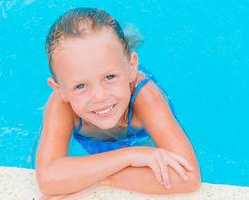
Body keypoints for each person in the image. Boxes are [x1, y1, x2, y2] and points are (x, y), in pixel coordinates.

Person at [35, 7, 201, 199]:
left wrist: (97, 179)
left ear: (132, 68)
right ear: (59, 89)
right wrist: (130, 156)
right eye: (80, 86)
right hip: (123, 120)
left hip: (135, 114)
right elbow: (47, 178)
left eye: (110, 77)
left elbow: (189, 177)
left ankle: (129, 40)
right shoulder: (60, 104)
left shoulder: (145, 97)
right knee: (107, 57)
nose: (99, 97)